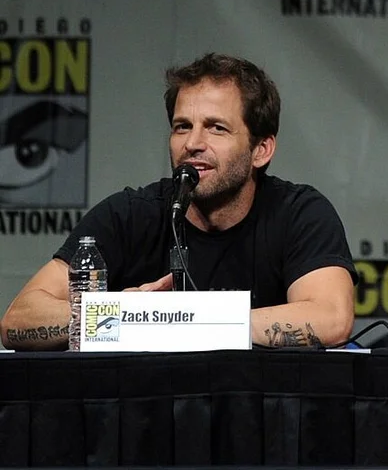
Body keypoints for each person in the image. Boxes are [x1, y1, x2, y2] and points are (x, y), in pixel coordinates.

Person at [0, 53, 357, 350]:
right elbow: (17, 320)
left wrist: (187, 321)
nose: (193, 143)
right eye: (182, 126)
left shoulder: (299, 213)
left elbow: (331, 318)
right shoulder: (129, 214)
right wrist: (120, 314)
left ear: (261, 150)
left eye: (216, 128)